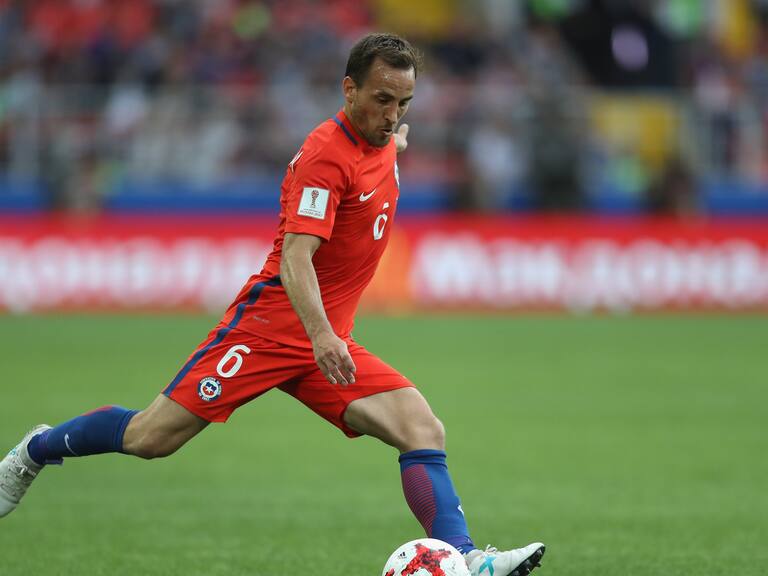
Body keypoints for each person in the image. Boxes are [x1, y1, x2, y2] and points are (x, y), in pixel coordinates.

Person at [0, 33, 545, 576]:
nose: (392, 115)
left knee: (421, 429)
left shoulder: (383, 140)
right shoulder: (325, 158)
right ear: (349, 89)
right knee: (150, 438)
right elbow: (295, 257)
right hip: (270, 330)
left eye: (403, 103)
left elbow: (385, 147)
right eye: (382, 99)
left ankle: (467, 558)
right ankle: (36, 450)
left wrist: (395, 143)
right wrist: (322, 335)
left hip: (324, 342)